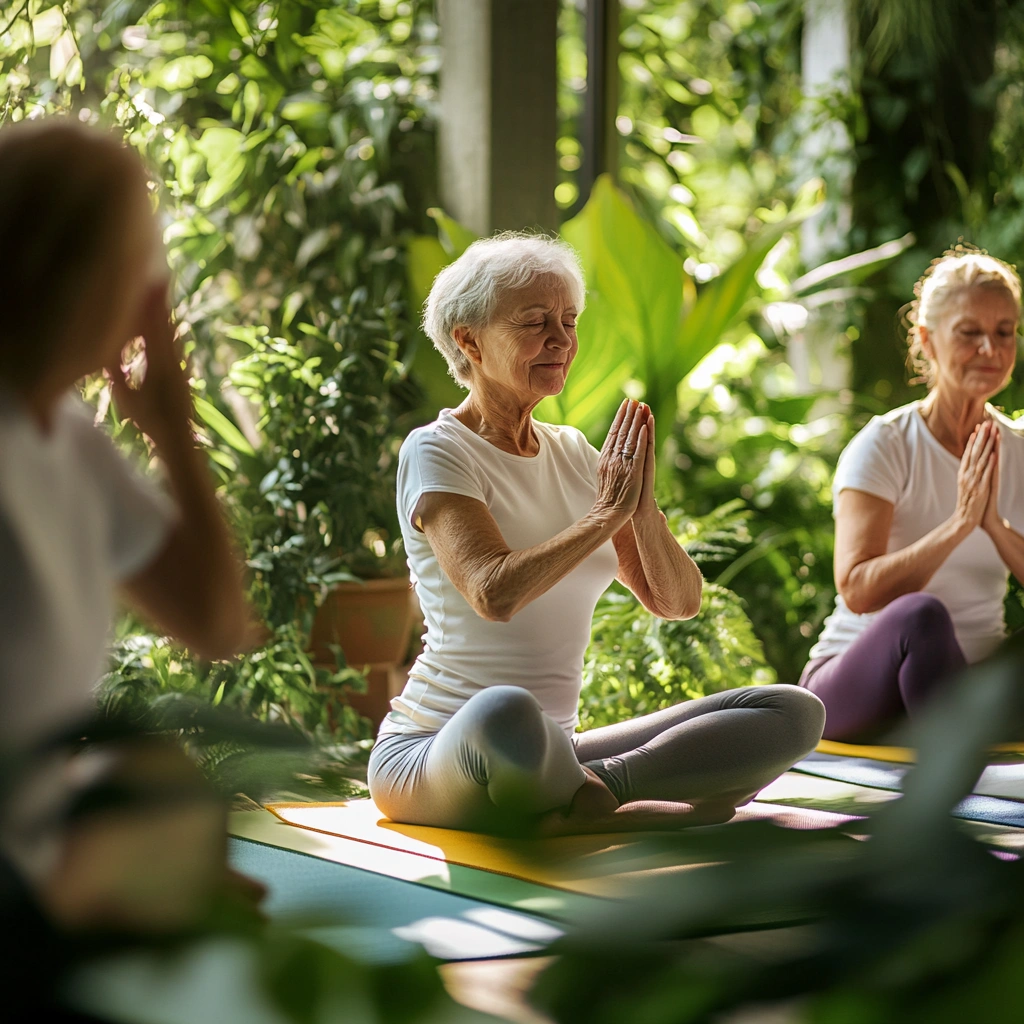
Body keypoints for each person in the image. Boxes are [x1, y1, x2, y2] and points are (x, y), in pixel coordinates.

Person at [368, 234, 824, 836]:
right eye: (535, 322)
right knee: (508, 712)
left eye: (568, 320)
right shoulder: (439, 449)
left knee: (790, 711)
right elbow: (493, 592)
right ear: (468, 340)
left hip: (558, 750)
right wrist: (603, 515)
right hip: (441, 751)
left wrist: (640, 508)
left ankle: (603, 791)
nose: (561, 339)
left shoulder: (576, 454)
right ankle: (616, 806)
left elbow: (677, 603)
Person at [0, 119, 254, 934]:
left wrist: (173, 428)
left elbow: (214, 623)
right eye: (141, 259)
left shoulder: (65, 436)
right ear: (76, 271)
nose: (156, 289)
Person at [800, 248, 1024, 741]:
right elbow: (857, 590)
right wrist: (959, 525)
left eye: (1004, 332)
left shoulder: (1017, 452)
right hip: (857, 687)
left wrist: (993, 526)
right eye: (970, 333)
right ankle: (956, 770)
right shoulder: (886, 445)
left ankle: (965, 732)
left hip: (971, 687)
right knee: (921, 615)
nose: (990, 349)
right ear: (928, 339)